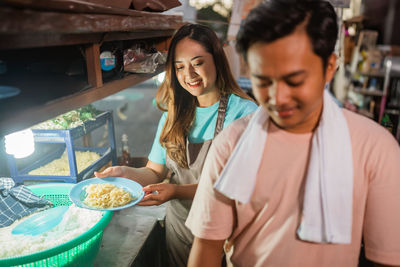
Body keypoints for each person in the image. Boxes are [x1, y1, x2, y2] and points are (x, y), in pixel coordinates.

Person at [186, 1, 400, 267]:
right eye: (263, 81)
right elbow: (206, 247)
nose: (278, 97)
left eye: (295, 80)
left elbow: (386, 259)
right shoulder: (231, 145)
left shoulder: (374, 148)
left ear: (330, 67)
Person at [95, 23, 257, 267]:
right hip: (180, 234)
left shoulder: (245, 114)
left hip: (228, 239)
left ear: (217, 59)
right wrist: (123, 174)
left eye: (198, 63)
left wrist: (175, 191)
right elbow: (154, 172)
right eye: (180, 67)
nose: (188, 75)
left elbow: (239, 187)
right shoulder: (173, 115)